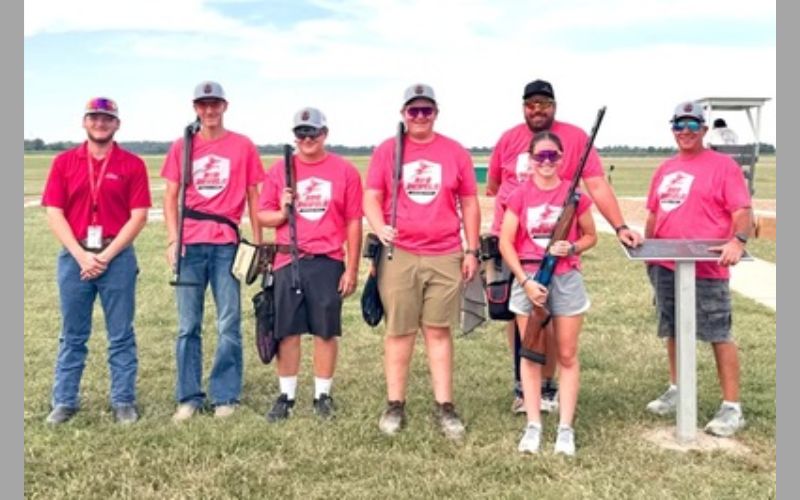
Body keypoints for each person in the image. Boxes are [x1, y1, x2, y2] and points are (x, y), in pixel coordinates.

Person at [486, 79, 643, 415]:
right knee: (516, 317)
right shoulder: (507, 139)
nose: (537, 110)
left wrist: (620, 226)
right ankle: (522, 385)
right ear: (523, 106)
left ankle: (548, 384)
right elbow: (495, 187)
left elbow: (597, 186)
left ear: (554, 105)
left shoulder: (574, 138)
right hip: (513, 244)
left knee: (553, 316)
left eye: (544, 103)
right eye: (531, 104)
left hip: (554, 245)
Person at [363, 83, 480, 439]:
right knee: (400, 331)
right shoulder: (387, 151)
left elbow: (470, 202)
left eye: (426, 111)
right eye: (413, 111)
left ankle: (445, 406)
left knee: (438, 330)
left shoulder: (454, 152)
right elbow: (372, 196)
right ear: (403, 114)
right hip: (400, 254)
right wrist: (380, 226)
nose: (419, 117)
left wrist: (471, 249)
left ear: (435, 113)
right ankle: (395, 404)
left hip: (444, 252)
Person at [644, 101, 752, 437]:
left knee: (718, 333)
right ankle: (677, 389)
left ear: (704, 130)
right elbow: (653, 214)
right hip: (666, 264)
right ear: (672, 128)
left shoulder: (723, 167)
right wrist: (648, 252)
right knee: (674, 329)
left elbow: (742, 210)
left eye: (693, 125)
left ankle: (732, 407)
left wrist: (737, 241)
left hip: (708, 266)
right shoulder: (664, 169)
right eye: (680, 125)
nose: (686, 131)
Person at [41, 97, 151, 424]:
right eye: (94, 117)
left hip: (115, 257)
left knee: (120, 333)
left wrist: (104, 255)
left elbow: (139, 215)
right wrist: (81, 255)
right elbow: (54, 212)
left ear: (117, 123)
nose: (100, 123)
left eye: (107, 118)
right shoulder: (63, 162)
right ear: (84, 122)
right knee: (72, 334)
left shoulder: (132, 164)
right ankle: (64, 401)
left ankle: (123, 401)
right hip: (74, 256)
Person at [162, 81, 263, 422]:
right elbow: (170, 196)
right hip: (190, 245)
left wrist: (258, 243)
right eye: (203, 105)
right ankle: (189, 396)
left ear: (224, 106)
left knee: (229, 322)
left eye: (214, 104)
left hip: (225, 244)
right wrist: (173, 240)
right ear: (195, 107)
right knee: (188, 324)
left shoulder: (243, 145)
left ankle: (225, 394)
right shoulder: (183, 146)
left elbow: (253, 196)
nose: (209, 110)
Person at [258, 107, 363, 421]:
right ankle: (286, 396)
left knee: (325, 331)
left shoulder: (345, 171)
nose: (307, 139)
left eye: (313, 133)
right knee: (287, 332)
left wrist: (352, 267)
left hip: (327, 260)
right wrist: (281, 211)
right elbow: (263, 215)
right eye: (301, 134)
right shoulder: (280, 171)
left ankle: (322, 395)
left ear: (325, 135)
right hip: (287, 258)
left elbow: (354, 222)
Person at [499, 131, 597, 456]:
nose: (546, 162)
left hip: (566, 277)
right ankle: (533, 425)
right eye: (540, 156)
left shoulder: (575, 195)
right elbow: (506, 242)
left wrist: (571, 246)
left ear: (561, 157)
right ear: (530, 158)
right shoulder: (519, 194)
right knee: (530, 355)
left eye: (552, 156)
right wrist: (525, 282)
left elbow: (590, 236)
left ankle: (565, 429)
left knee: (566, 355)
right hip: (530, 277)